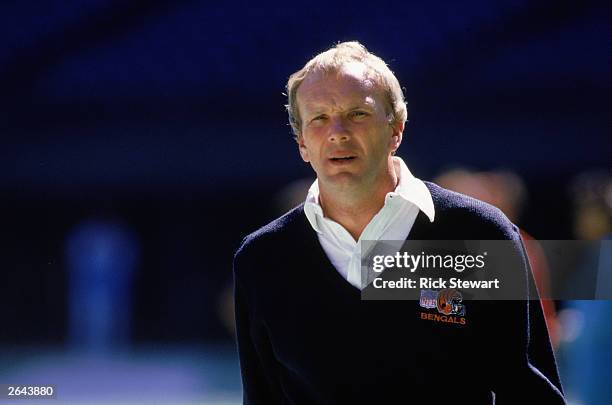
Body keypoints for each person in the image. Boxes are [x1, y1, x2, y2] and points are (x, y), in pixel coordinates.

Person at [233, 41, 565, 404]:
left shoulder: (481, 233)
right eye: (319, 118)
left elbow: (529, 391)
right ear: (301, 142)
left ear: (397, 129)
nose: (338, 131)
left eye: (358, 114)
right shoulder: (262, 258)